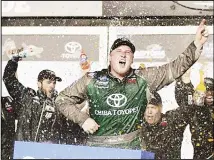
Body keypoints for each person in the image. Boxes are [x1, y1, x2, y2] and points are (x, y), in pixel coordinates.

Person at [55, 19, 209, 149]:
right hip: (97, 148)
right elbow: (61, 100)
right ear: (110, 56)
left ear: (132, 59)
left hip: (131, 148)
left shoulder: (143, 78)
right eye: (119, 51)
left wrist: (196, 44)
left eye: (128, 52)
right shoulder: (91, 79)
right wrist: (83, 119)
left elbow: (174, 68)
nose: (123, 53)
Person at [3, 52, 63, 144]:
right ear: (39, 84)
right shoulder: (27, 98)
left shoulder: (58, 103)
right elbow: (9, 79)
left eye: (54, 83)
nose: (52, 85)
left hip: (46, 153)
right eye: (49, 82)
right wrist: (13, 61)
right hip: (23, 151)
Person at [140, 91, 196, 159]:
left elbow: (188, 108)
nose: (149, 112)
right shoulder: (143, 126)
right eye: (146, 108)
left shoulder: (171, 120)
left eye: (153, 107)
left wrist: (188, 90)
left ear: (160, 108)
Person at [175, 70, 213, 159]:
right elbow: (184, 100)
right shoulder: (196, 108)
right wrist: (184, 82)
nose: (209, 95)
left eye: (211, 92)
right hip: (200, 152)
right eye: (206, 92)